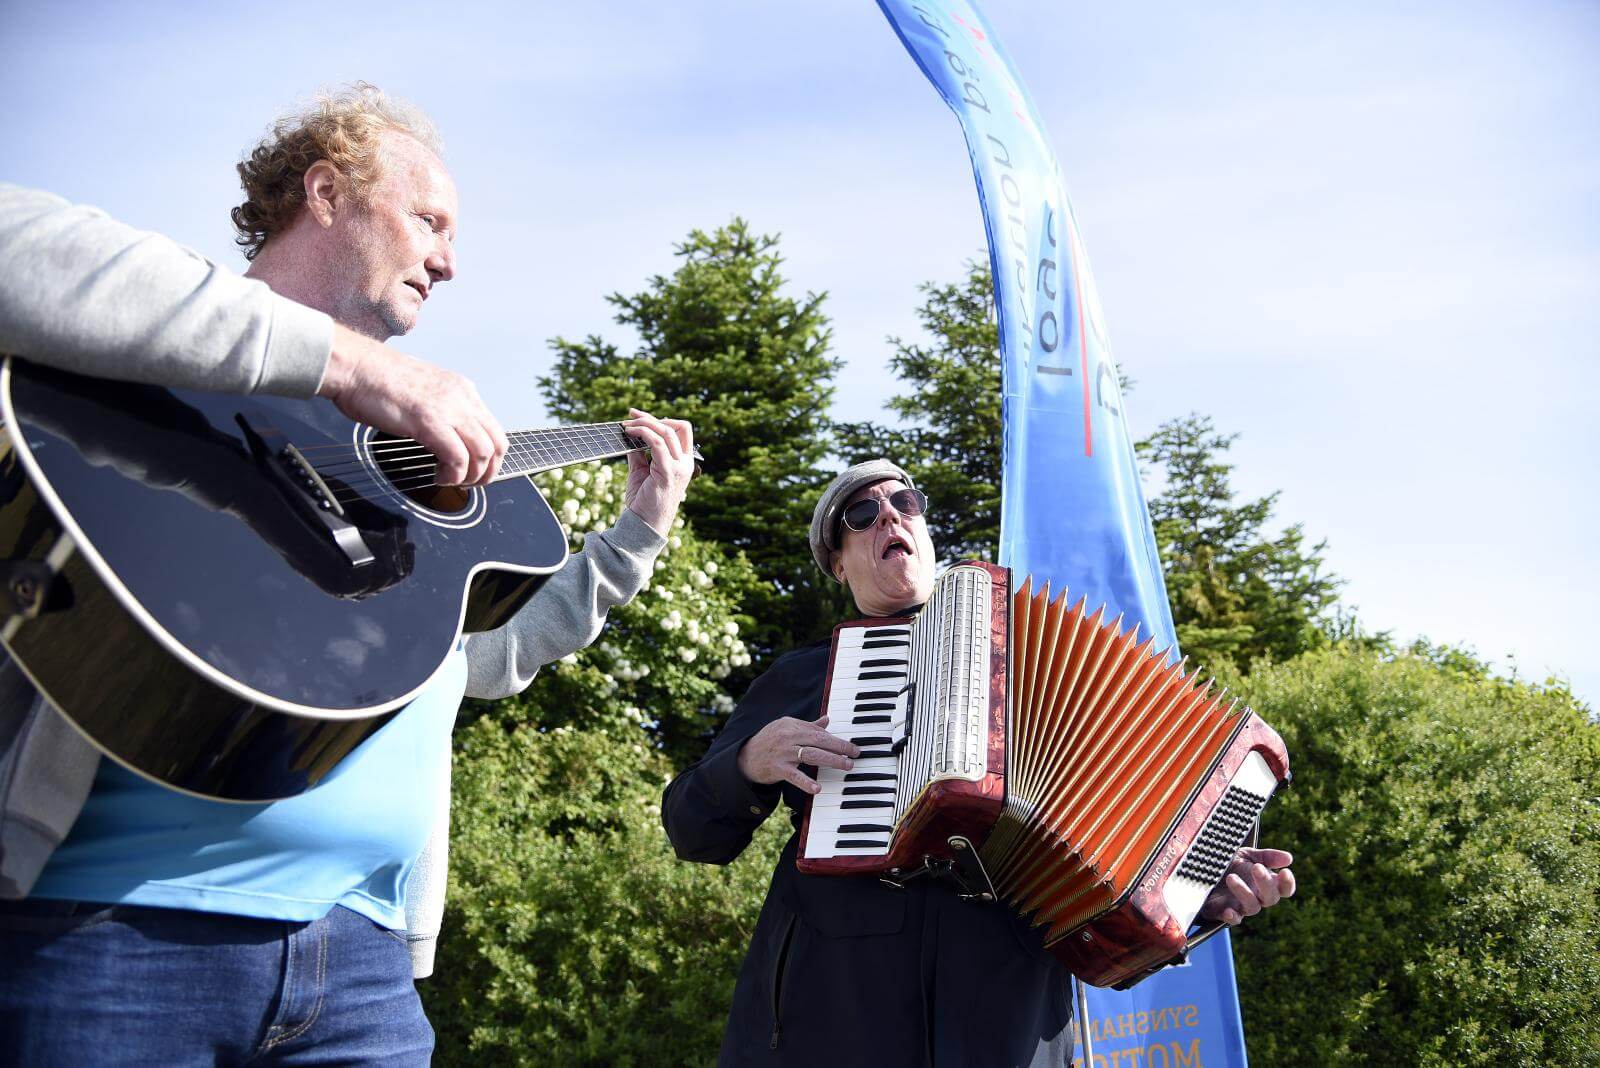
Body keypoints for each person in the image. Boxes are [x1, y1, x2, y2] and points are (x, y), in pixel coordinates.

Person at [0, 84, 694, 1065]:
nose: (450, 261)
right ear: (325, 192)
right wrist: (357, 368)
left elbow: (482, 658)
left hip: (361, 970)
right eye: (428, 220)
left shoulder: (396, 459)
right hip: (110, 930)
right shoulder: (152, 333)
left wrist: (634, 537)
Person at [662, 459, 1296, 1066]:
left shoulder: (1041, 660)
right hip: (837, 1002)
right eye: (862, 513)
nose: (890, 517)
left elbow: (1140, 806)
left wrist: (1205, 887)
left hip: (1007, 1010)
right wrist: (746, 761)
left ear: (925, 532)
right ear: (838, 563)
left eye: (904, 503)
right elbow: (692, 829)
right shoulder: (804, 678)